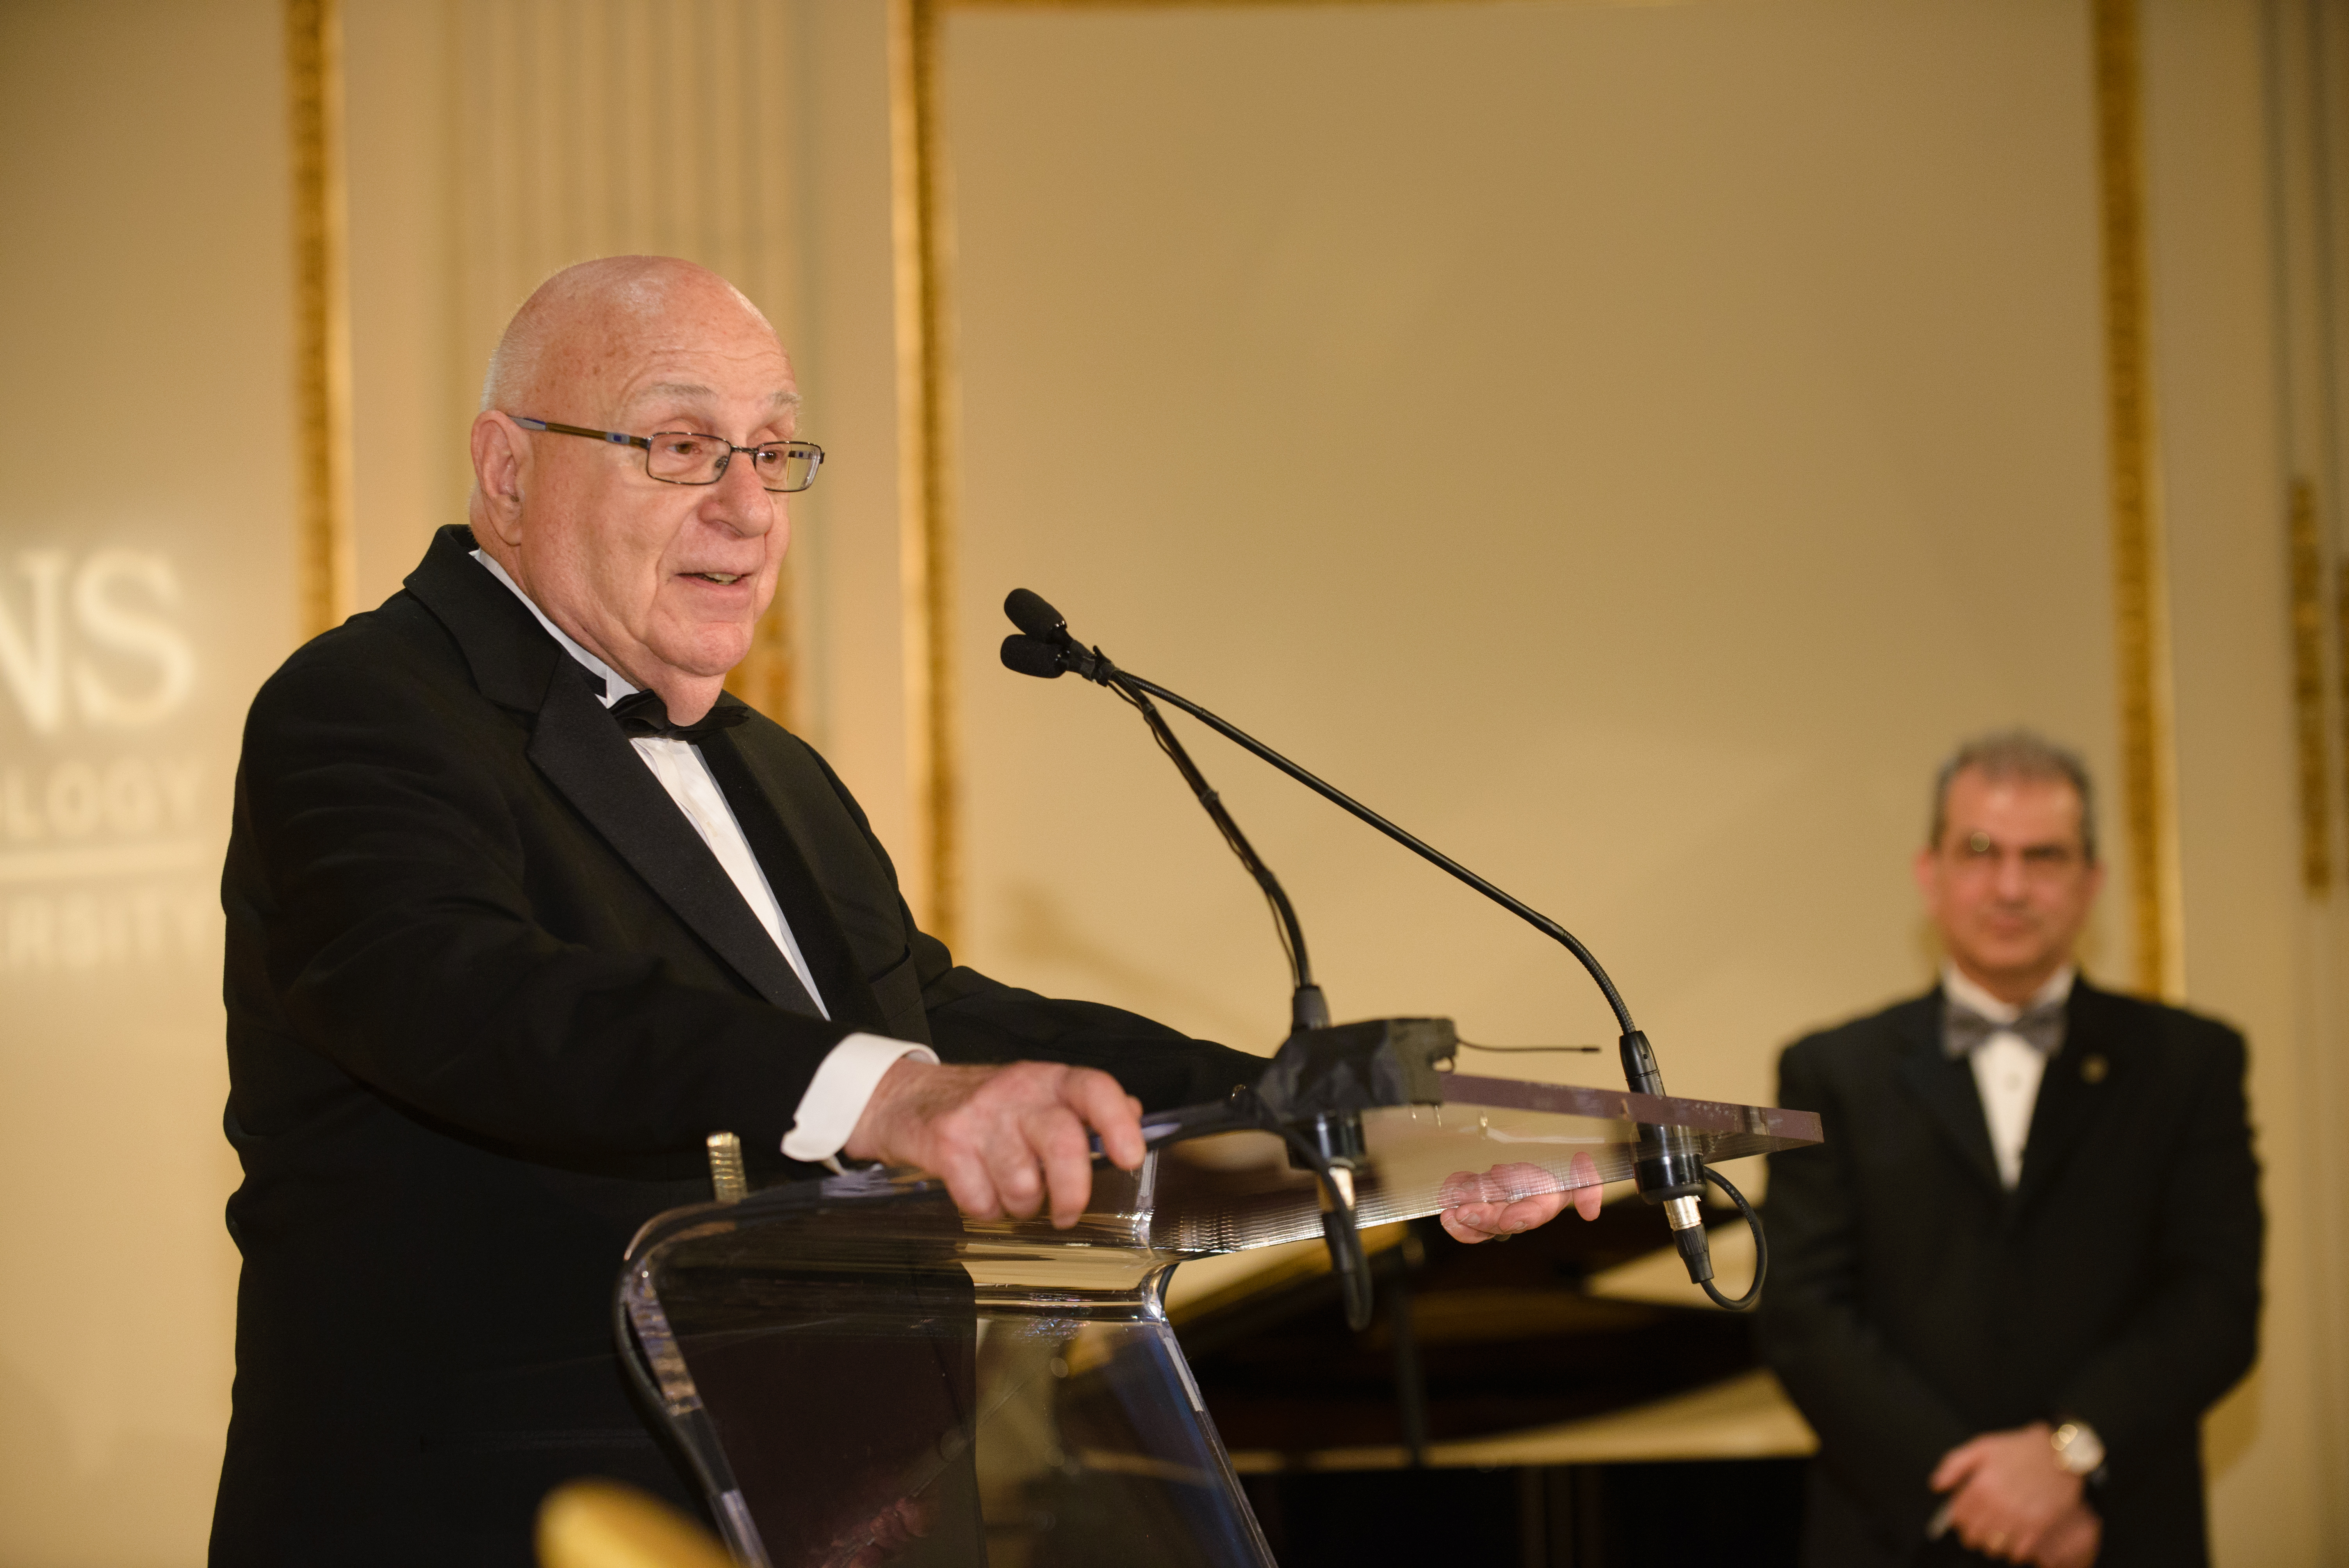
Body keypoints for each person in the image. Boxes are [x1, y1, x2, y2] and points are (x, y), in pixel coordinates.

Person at [210, 257, 1577, 1566]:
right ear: (509, 469)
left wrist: (1324, 1120)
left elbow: (933, 1017)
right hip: (508, 1518)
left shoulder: (770, 768)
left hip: (845, 1511)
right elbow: (459, 994)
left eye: (774, 450)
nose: (747, 506)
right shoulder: (366, 704)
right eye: (682, 445)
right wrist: (885, 1098)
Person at [1759, 732, 2261, 1568]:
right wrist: (1976, 1496)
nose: (2010, 886)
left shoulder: (2190, 1063)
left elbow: (2215, 1302)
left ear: (2090, 881)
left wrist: (2068, 1456)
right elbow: (1803, 1315)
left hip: (2120, 1532)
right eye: (1980, 851)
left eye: (2045, 856)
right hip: (1894, 1537)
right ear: (1930, 872)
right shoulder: (1829, 1070)